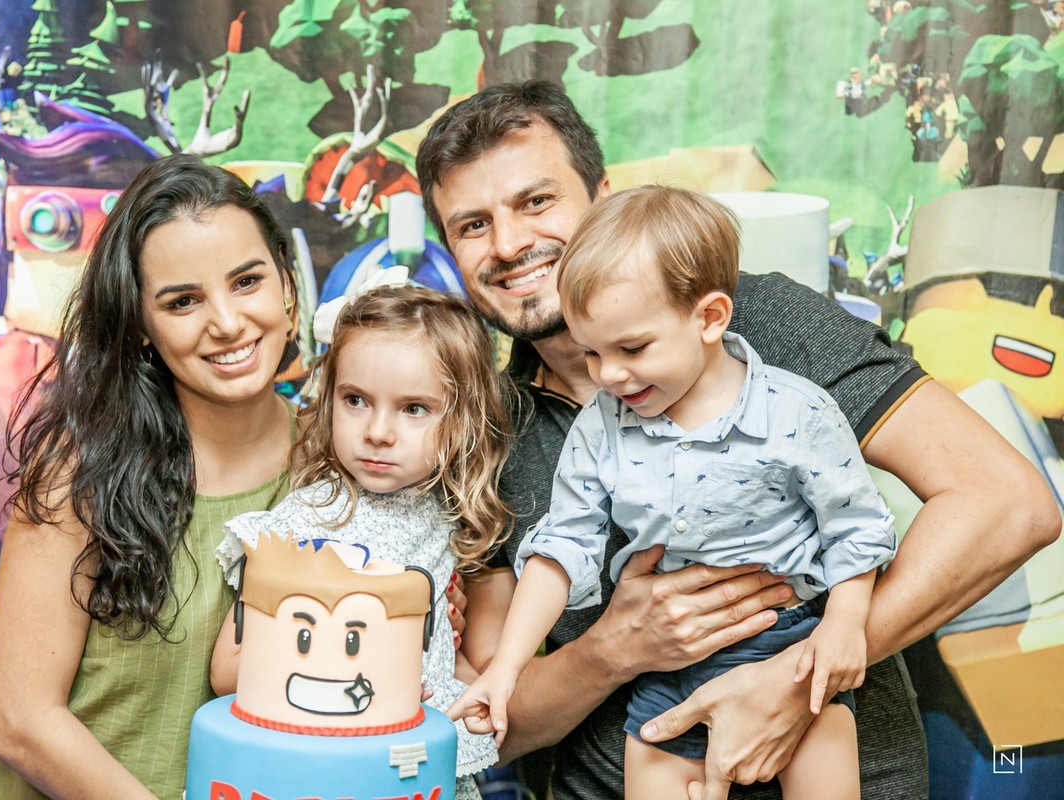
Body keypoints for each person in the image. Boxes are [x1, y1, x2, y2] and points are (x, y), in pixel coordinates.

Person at [414, 80, 1060, 800]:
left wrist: (794, 682)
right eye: (472, 225)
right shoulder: (483, 425)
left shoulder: (760, 323)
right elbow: (495, 721)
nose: (508, 244)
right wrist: (612, 651)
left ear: (603, 197)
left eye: (536, 202)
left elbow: (1007, 503)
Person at [452, 186, 896, 800]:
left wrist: (845, 624)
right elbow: (561, 548)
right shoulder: (601, 426)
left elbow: (856, 528)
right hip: (666, 678)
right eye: (591, 352)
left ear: (709, 318)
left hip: (793, 650)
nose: (609, 374)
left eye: (632, 348)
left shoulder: (797, 412)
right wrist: (505, 669)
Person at [0, 154, 301, 799]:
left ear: (286, 286)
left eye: (246, 282)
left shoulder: (339, 463)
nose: (227, 323)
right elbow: (18, 720)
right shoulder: (83, 469)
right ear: (142, 326)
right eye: (183, 301)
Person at [209, 284, 510, 800]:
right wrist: (370, 680)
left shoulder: (442, 517)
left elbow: (440, 654)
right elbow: (228, 671)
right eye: (356, 401)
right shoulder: (305, 522)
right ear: (329, 399)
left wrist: (463, 684)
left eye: (414, 408)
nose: (378, 432)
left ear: (463, 419)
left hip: (420, 771)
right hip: (329, 775)